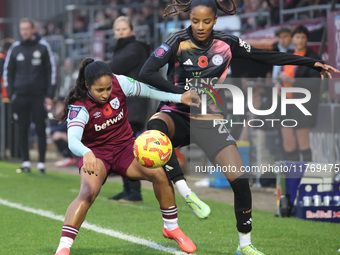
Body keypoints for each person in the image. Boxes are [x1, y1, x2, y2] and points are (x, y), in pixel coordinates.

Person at [139, 0, 339, 254]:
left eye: (206, 21)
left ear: (215, 20)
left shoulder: (228, 44)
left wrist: (310, 62)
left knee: (240, 180)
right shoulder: (177, 40)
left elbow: (263, 55)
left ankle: (245, 245)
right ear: (190, 19)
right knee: (155, 129)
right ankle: (185, 190)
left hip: (209, 119)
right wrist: (180, 93)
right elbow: (147, 72)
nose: (200, 27)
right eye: (195, 21)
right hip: (176, 111)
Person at [54, 58, 200, 255]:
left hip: (125, 148)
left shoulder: (120, 82)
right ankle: (64, 247)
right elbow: (73, 141)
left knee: (159, 174)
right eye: (99, 90)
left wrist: (179, 97)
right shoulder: (79, 107)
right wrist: (86, 153)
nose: (105, 94)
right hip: (97, 154)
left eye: (107, 88)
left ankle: (171, 227)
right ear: (87, 85)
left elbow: (150, 92)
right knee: (88, 193)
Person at [3, 18, 56, 174]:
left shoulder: (43, 47)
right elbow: (8, 72)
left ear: (33, 29)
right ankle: (25, 162)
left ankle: (41, 163)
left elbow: (51, 71)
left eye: (27, 28)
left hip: (39, 96)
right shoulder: (15, 48)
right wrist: (11, 93)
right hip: (20, 96)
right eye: (22, 29)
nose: (24, 32)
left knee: (40, 128)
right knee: (22, 128)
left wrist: (49, 95)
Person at [107, 16, 150, 203]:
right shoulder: (122, 48)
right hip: (124, 105)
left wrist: (95, 69)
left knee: (128, 150)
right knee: (121, 149)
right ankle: (128, 189)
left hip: (133, 105)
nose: (120, 32)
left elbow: (115, 67)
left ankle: (135, 192)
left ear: (132, 30)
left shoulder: (135, 48)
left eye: (124, 29)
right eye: (118, 29)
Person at [277, 25, 321, 162]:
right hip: (285, 103)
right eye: (297, 37)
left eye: (303, 37)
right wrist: (278, 83)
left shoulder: (312, 58)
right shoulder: (288, 55)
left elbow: (316, 83)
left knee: (303, 144)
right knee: (288, 144)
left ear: (307, 39)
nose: (300, 40)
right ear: (293, 39)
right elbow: (282, 75)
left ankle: (307, 179)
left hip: (303, 104)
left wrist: (294, 81)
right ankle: (293, 179)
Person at [50, 98, 78, 167]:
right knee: (56, 135)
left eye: (59, 106)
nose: (57, 108)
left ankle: (71, 157)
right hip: (68, 137)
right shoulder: (60, 116)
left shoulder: (71, 115)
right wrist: (57, 115)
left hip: (77, 139)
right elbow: (53, 128)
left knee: (58, 135)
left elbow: (63, 127)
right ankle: (68, 157)